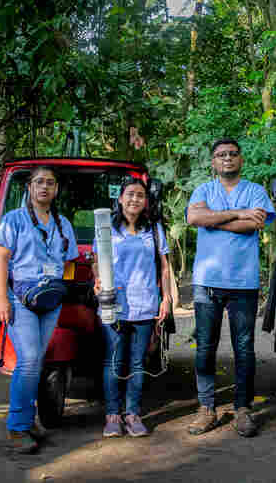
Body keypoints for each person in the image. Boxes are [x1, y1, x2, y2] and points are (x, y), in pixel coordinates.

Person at [185, 137, 276, 438]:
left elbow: (255, 224)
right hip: (207, 282)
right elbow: (194, 217)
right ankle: (206, 408)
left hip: (243, 282)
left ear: (241, 159)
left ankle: (242, 409)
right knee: (205, 348)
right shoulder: (203, 190)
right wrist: (238, 213)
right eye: (221, 155)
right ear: (213, 161)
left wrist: (212, 220)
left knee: (244, 349)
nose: (227, 158)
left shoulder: (255, 191)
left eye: (232, 154)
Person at [0, 166, 79, 454]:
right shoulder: (14, 219)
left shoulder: (63, 223)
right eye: (39, 182)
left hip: (50, 300)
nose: (44, 187)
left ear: (56, 190)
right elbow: (1, 259)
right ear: (29, 187)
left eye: (50, 183)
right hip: (21, 299)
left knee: (36, 362)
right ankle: (17, 428)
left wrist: (63, 288)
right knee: (28, 360)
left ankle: (29, 422)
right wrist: (2, 300)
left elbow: (69, 264)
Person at [92, 178, 171, 438]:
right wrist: (98, 282)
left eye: (140, 195)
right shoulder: (106, 228)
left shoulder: (155, 228)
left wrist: (167, 299)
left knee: (138, 363)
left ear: (145, 201)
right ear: (120, 198)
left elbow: (165, 266)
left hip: (146, 305)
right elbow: (96, 262)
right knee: (113, 361)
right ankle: (113, 416)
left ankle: (133, 414)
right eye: (130, 194)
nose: (135, 199)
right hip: (114, 305)